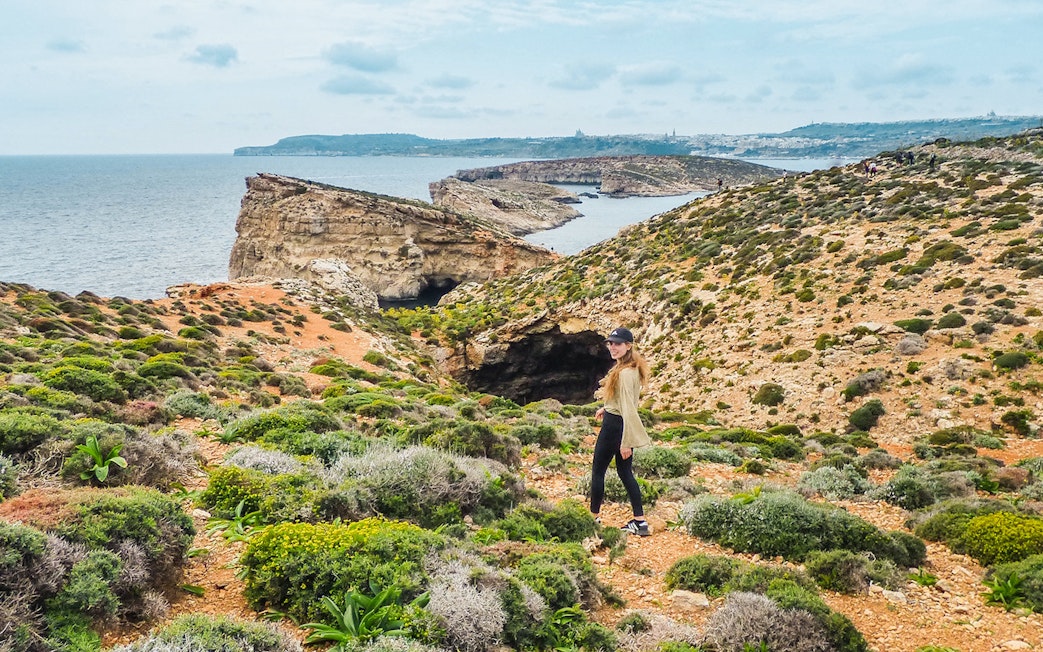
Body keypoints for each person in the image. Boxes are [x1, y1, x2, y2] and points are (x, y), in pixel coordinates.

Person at [590, 326, 653, 536]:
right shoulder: (631, 368)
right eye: (610, 343)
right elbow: (624, 401)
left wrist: (626, 441)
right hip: (617, 420)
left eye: (617, 344)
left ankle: (593, 518)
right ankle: (640, 522)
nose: (612, 347)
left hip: (616, 427)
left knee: (598, 471)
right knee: (625, 473)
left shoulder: (625, 373)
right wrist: (606, 407)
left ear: (628, 346)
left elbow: (629, 408)